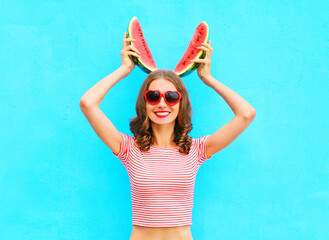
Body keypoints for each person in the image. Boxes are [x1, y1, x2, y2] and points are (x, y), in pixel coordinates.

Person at [79, 32, 256, 240]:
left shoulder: (196, 150)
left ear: (181, 103)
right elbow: (87, 103)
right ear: (144, 103)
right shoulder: (128, 149)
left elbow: (246, 114)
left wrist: (208, 78)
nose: (162, 103)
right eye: (153, 96)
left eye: (171, 97)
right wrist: (124, 69)